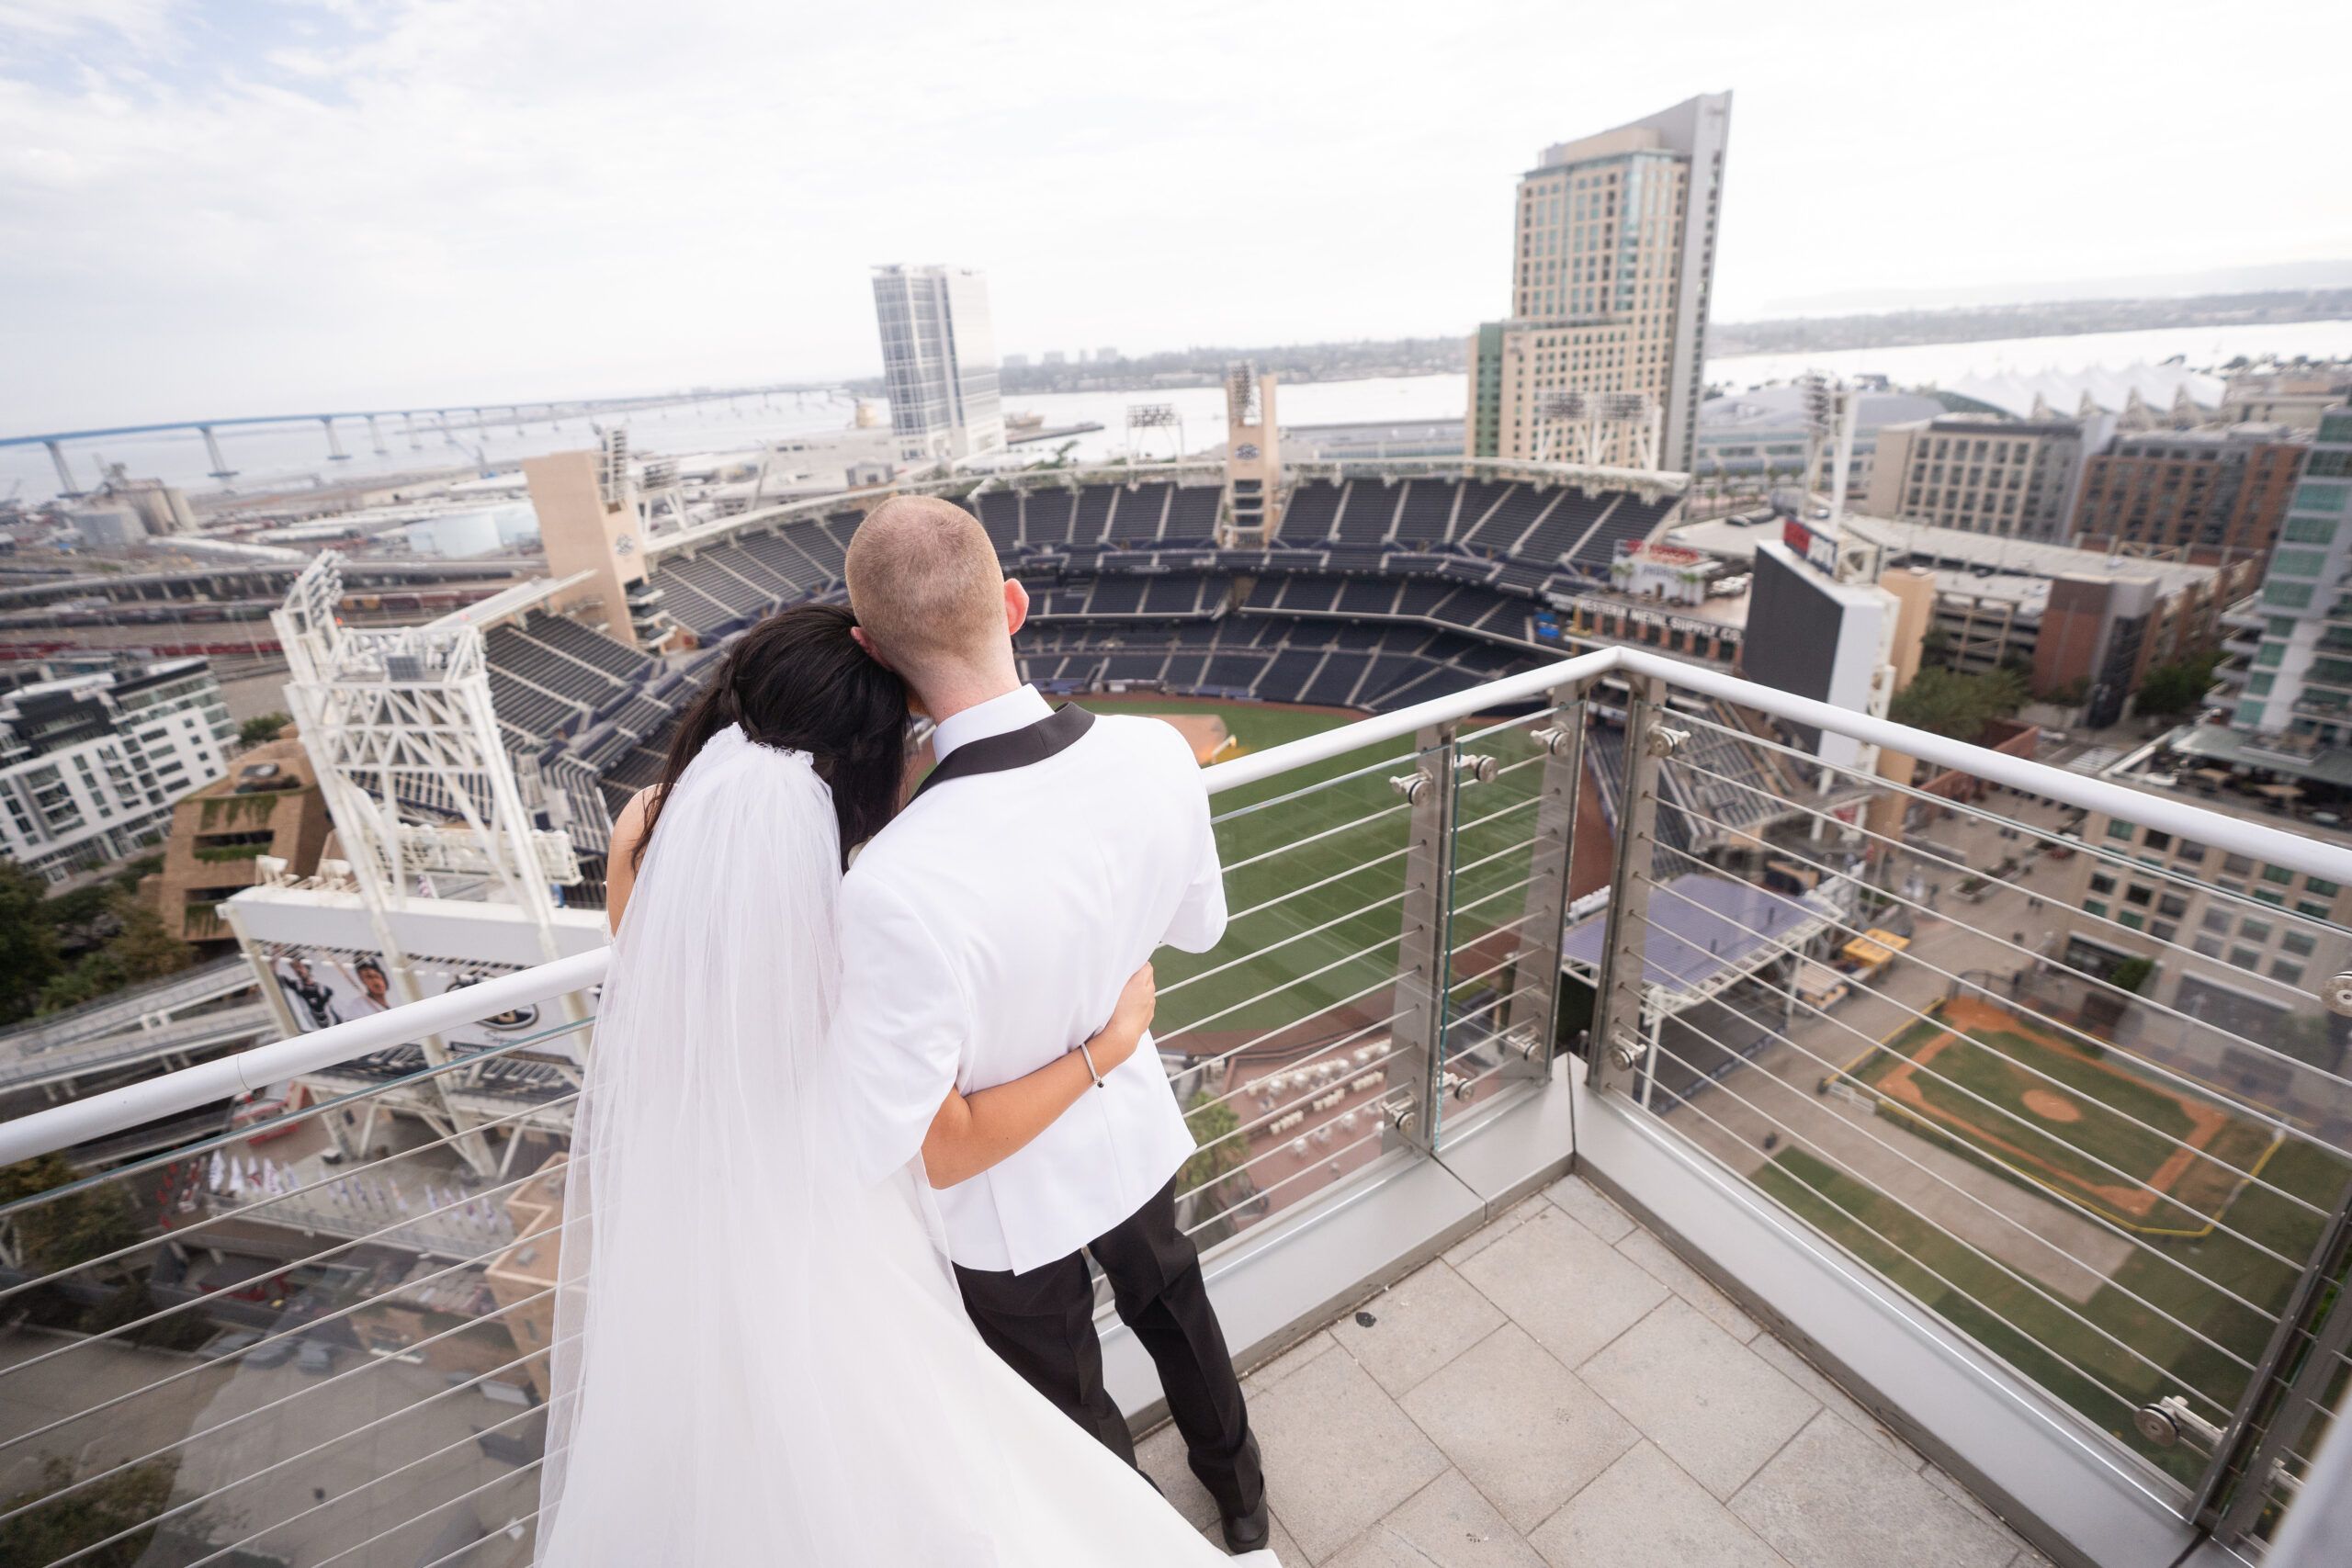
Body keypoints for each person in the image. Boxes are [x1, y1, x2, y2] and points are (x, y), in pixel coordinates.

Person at [536, 603, 1272, 1566]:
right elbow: (920, 1119)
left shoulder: (650, 826)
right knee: (1151, 1324)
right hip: (954, 1159)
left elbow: (672, 1003)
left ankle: (1133, 1518)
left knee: (1044, 1406)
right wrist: (1111, 1039)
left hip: (727, 1185)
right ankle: (1235, 1502)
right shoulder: (865, 884)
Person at [831, 495, 1269, 1553]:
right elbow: (1197, 930)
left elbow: (923, 1145)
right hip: (1126, 1123)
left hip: (1003, 1200)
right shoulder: (1156, 753)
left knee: (1070, 1408)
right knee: (1182, 1318)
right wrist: (1104, 1022)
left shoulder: (888, 880)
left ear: (872, 653)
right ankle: (1248, 1518)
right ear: (1014, 604)